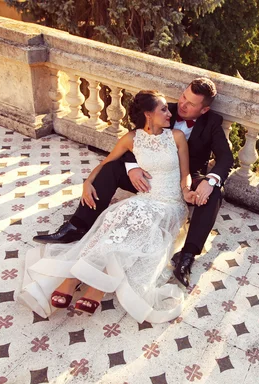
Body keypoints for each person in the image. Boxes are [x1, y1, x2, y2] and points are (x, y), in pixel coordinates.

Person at [33, 78, 233, 288]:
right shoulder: (161, 108)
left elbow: (226, 159)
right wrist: (132, 167)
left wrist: (210, 181)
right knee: (111, 169)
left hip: (185, 178)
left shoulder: (212, 123)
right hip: (149, 176)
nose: (182, 105)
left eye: (191, 104)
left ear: (204, 110)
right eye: (184, 97)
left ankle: (187, 256)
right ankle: (78, 225)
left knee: (214, 194)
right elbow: (135, 139)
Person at [18, 90, 197, 322]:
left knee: (139, 226)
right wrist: (88, 183)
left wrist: (187, 191)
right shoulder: (131, 139)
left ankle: (96, 286)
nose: (168, 112)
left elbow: (186, 173)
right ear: (148, 114)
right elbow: (107, 162)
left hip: (171, 204)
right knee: (117, 217)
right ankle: (73, 277)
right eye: (163, 109)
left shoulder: (176, 137)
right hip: (146, 198)